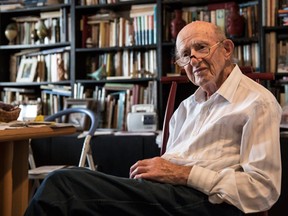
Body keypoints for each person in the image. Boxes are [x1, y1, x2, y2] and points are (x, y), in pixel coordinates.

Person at [25, 21, 282, 216]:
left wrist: (184, 174)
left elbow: (262, 190)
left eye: (201, 48)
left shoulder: (256, 102)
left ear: (226, 49)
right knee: (73, 179)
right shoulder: (186, 107)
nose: (193, 60)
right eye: (185, 55)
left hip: (208, 202)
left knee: (63, 186)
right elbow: (169, 167)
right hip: (167, 194)